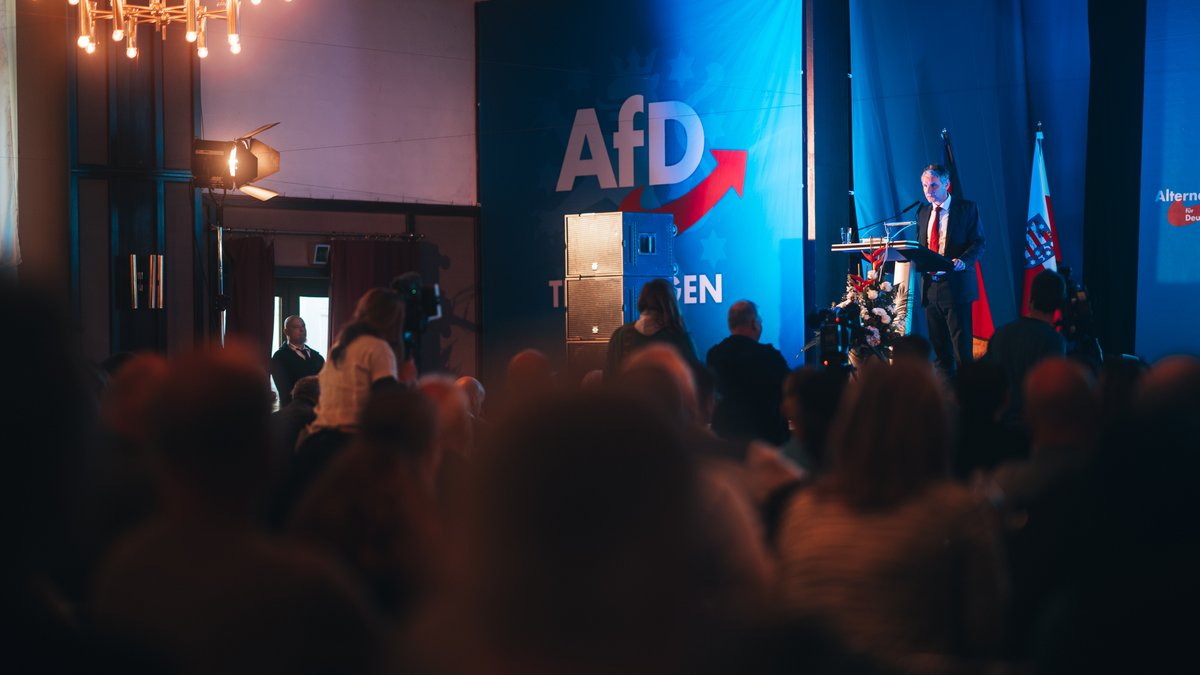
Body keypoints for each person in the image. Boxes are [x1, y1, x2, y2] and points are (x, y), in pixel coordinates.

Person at [917, 164, 986, 378]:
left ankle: (967, 399)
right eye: (925, 186)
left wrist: (963, 261)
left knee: (962, 353)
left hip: (955, 287)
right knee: (940, 354)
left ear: (947, 184)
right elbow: (920, 246)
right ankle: (944, 399)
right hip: (930, 289)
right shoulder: (922, 211)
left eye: (934, 185)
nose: (929, 191)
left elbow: (979, 242)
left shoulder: (966, 208)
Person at [984, 269, 1067, 426]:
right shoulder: (1053, 341)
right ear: (1059, 304)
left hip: (999, 427)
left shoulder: (1002, 333)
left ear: (1031, 298)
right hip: (1033, 430)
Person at [706, 300, 791, 446]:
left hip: (725, 443)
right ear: (754, 323)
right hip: (765, 443)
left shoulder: (714, 356)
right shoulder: (769, 357)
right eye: (760, 320)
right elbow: (790, 389)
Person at [604, 277, 699, 379]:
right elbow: (698, 381)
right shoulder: (679, 338)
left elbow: (608, 381)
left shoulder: (620, 335)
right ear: (671, 303)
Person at [271, 315, 325, 407]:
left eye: (303, 326)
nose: (302, 330)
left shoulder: (317, 357)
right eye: (296, 327)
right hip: (293, 412)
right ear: (286, 331)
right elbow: (285, 391)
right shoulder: (279, 357)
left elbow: (326, 385)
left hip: (318, 412)